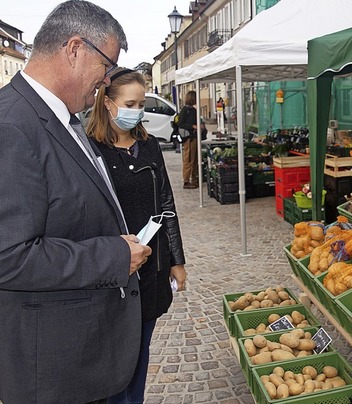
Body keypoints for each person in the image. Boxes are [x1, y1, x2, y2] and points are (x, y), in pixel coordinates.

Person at [0, 1, 152, 403]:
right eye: (107, 65)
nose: (106, 80)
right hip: (57, 372)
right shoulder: (12, 124)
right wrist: (112, 255)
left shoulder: (62, 118)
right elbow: (9, 255)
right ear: (74, 49)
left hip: (87, 359)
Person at [86, 68, 187, 404]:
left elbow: (167, 203)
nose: (137, 110)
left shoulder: (148, 146)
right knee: (116, 360)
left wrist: (176, 259)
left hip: (150, 270)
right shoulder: (91, 149)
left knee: (141, 352)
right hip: (113, 273)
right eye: (130, 103)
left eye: (141, 103)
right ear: (108, 103)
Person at [177, 90, 199, 189]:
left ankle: (194, 179)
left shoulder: (193, 110)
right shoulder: (185, 110)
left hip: (194, 137)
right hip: (188, 138)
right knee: (189, 159)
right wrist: (192, 126)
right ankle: (186, 181)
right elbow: (180, 123)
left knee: (194, 160)